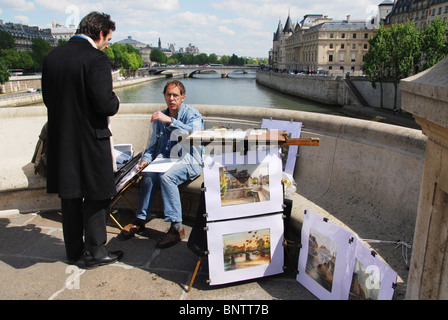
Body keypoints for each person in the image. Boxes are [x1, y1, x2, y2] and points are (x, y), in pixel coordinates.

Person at [42, 12, 123, 268]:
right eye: (108, 39)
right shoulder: (96, 58)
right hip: (90, 139)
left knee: (70, 196)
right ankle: (96, 252)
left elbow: (48, 99)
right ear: (99, 34)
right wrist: (116, 101)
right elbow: (104, 104)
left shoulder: (52, 57)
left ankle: (73, 251)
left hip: (62, 139)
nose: (108, 44)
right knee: (97, 195)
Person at [122, 80, 204, 248]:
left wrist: (170, 121)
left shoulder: (192, 115)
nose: (171, 98)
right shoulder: (161, 116)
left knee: (167, 177)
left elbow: (193, 135)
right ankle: (141, 219)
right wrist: (146, 160)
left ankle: (176, 229)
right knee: (149, 175)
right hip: (166, 159)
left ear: (183, 97)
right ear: (164, 96)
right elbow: (153, 146)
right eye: (168, 95)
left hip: (189, 160)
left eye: (175, 95)